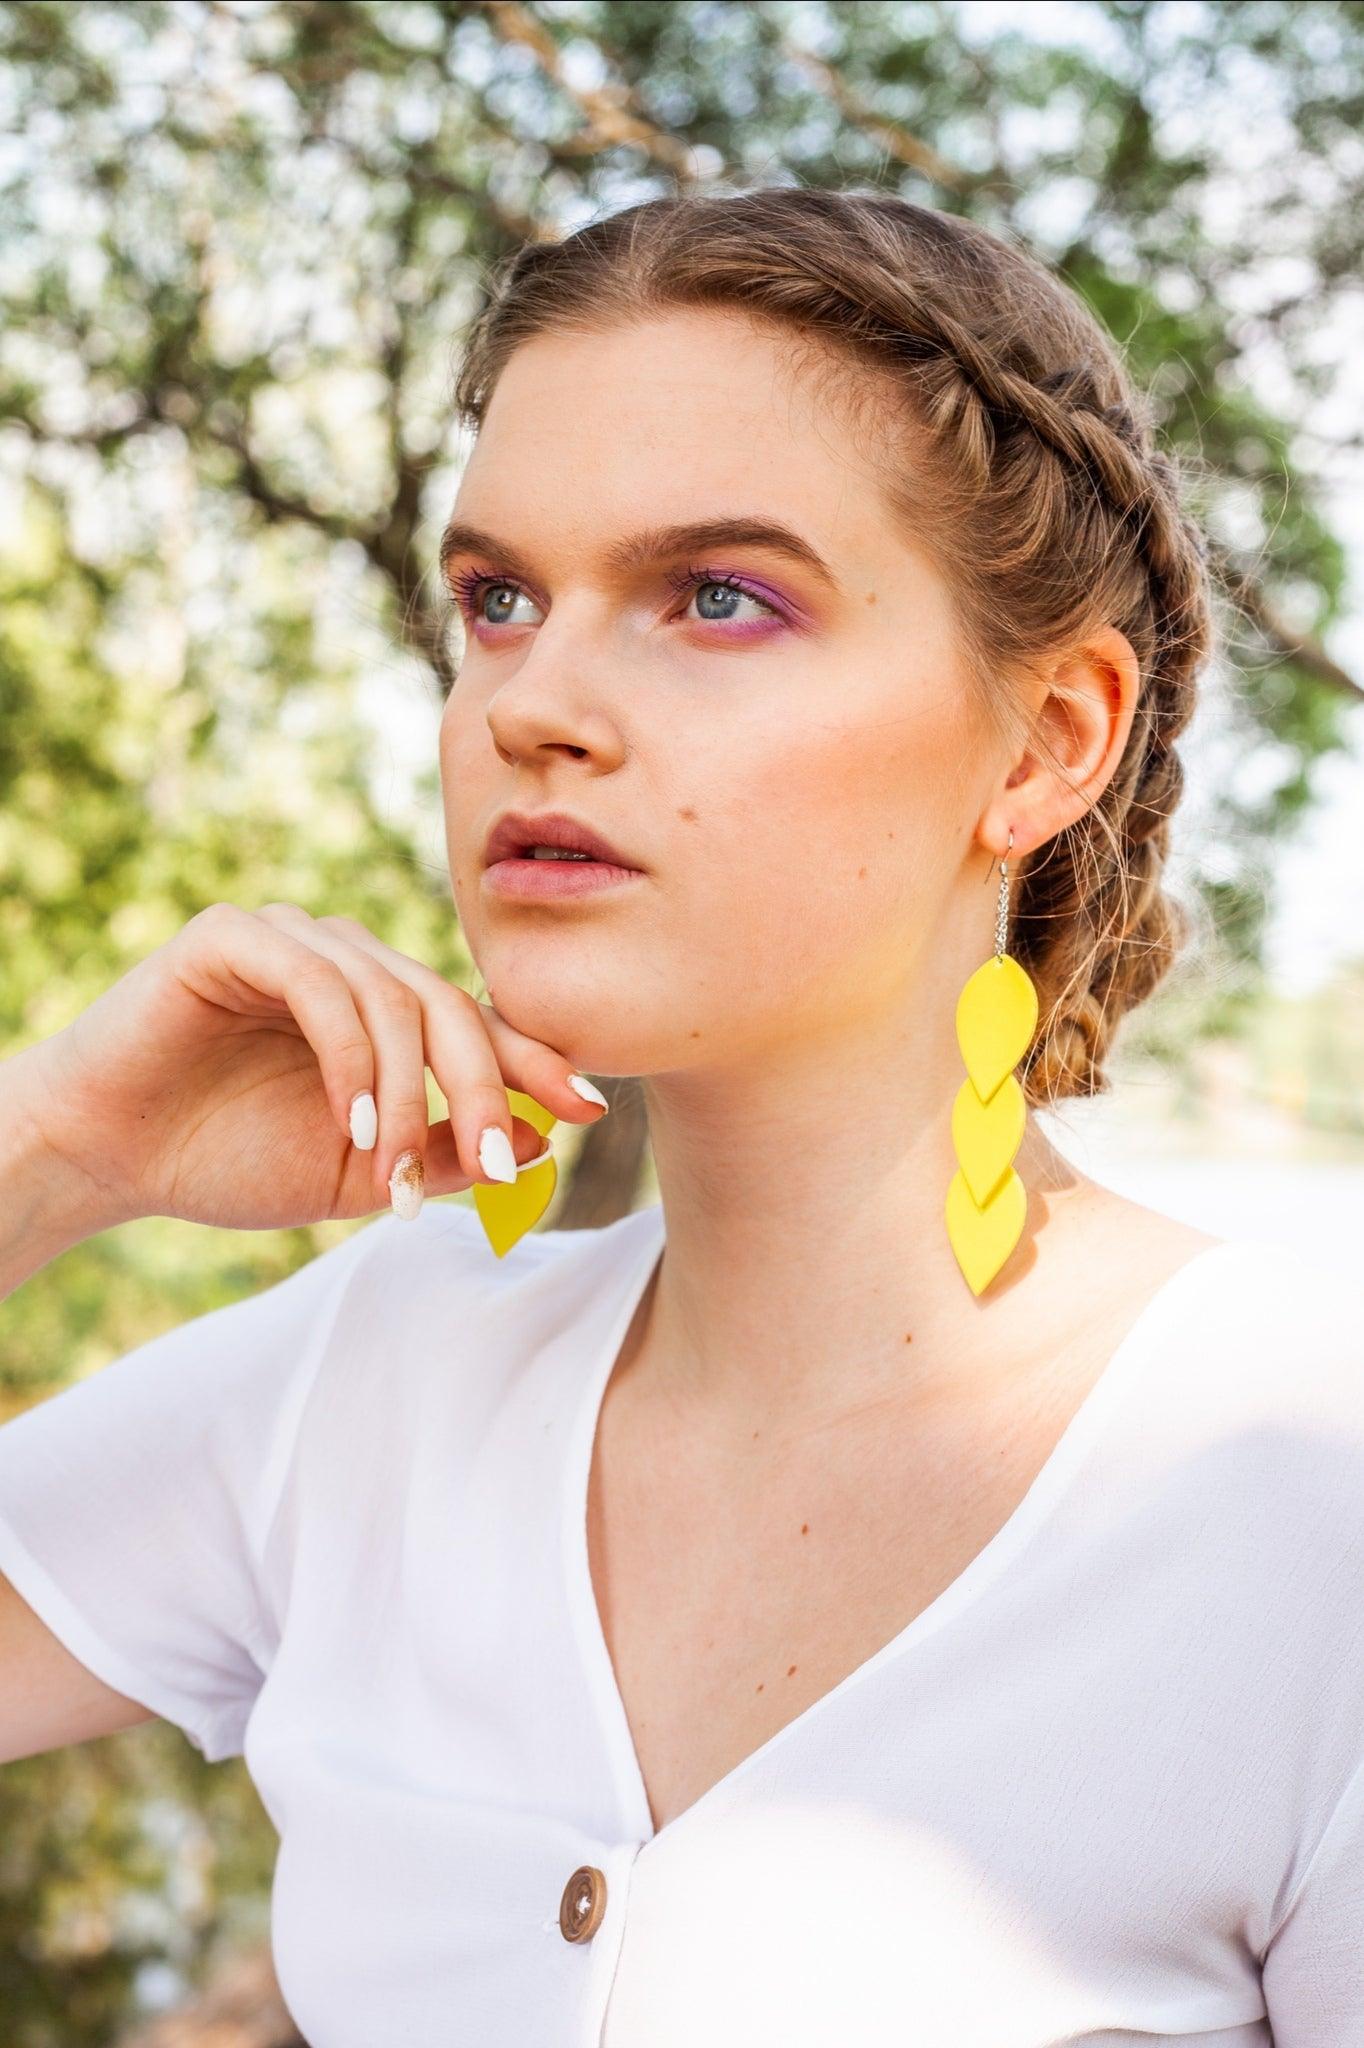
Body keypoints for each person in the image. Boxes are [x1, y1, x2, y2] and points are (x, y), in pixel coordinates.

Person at [1, 186, 1360, 2047]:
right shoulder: (370, 1374)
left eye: (718, 596)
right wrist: (55, 1153)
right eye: (497, 600)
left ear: (1050, 741)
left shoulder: (1306, 1495)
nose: (534, 702)